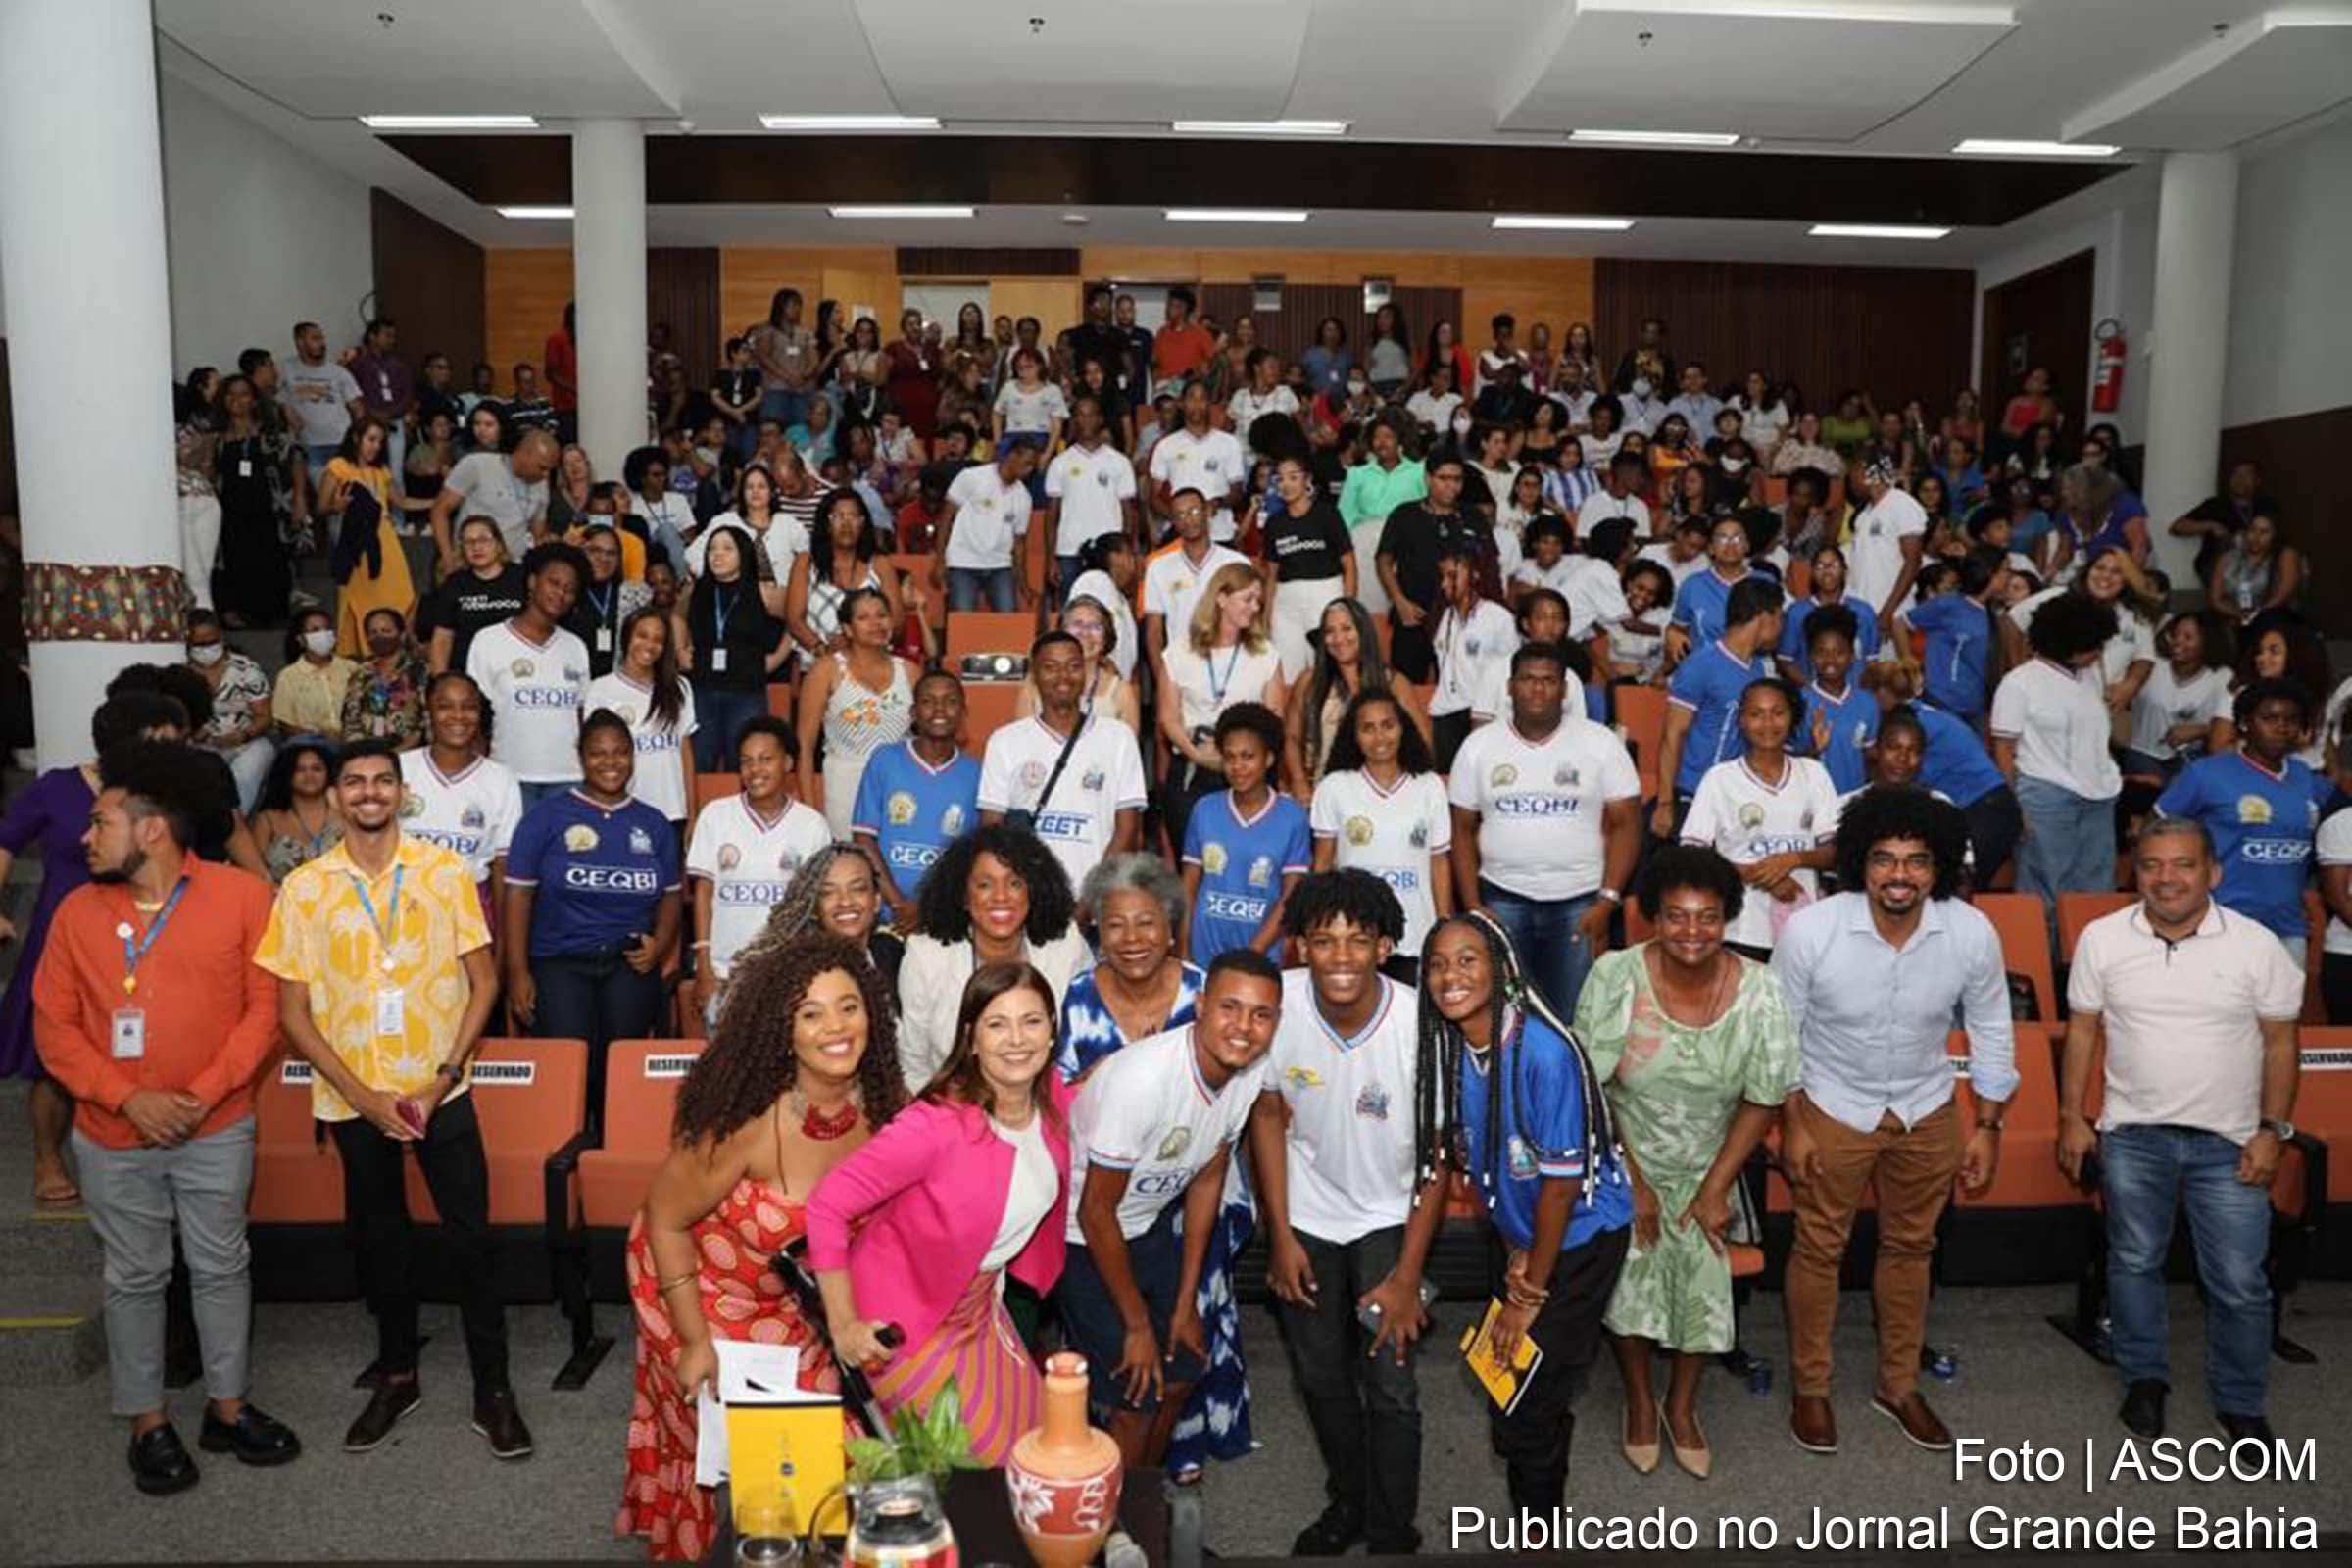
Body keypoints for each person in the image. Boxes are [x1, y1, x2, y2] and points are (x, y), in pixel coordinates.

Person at [31, 740, 297, 1494]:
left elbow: (264, 1014)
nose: (85, 838)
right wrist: (128, 1099)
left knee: (221, 1266)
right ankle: (147, 1420)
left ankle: (228, 1405)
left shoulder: (245, 898)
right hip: (112, 1135)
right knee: (136, 1274)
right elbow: (54, 1027)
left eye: (99, 823)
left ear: (151, 830)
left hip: (215, 1126)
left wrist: (201, 1095)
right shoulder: (75, 911)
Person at [255, 740, 527, 1458]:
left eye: (382, 781)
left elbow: (487, 981)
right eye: (355, 782)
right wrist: (360, 1094)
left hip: (441, 1090)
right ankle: (398, 1375)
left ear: (401, 794)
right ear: (338, 797)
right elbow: (292, 1014)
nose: (369, 793)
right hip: (354, 1101)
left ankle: (493, 1388)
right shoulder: (304, 888)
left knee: (472, 1241)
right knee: (382, 1243)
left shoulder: (444, 872)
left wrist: (440, 1078)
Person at [620, 933, 905, 1562]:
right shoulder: (745, 1124)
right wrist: (694, 1340)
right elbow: (665, 1221)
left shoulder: (882, 1109)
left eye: (849, 1006)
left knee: (822, 1450)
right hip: (694, 1285)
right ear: (783, 1030)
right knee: (734, 1455)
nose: (837, 1027)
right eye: (811, 1013)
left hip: (794, 1299)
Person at [1770, 787, 2014, 1456]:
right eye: (1883, 859)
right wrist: (1790, 1122)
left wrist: (1988, 1125)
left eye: (1916, 861)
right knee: (1819, 1249)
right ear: (1859, 863)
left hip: (1927, 1108)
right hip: (1830, 1104)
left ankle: (1898, 1385)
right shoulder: (1813, 930)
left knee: (1912, 1250)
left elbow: (1992, 1026)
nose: (1899, 875)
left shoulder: (1971, 932)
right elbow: (1779, 1033)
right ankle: (1811, 1389)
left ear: (1938, 869)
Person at [2058, 818, 2302, 1444]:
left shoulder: (2256, 945)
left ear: (2213, 873)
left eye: (2183, 864)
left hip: (2230, 1143)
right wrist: (2072, 1118)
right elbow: (2082, 1030)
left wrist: (2273, 1130)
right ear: (2133, 872)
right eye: (2151, 865)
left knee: (2241, 1284)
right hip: (2132, 1136)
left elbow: (2281, 1044)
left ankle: (2241, 1405)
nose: (2167, 878)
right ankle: (2145, 1382)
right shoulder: (2102, 939)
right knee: (2133, 1262)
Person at [1575, 846, 1797, 1480]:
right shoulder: (1615, 976)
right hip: (1626, 1151)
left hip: (1714, 1158)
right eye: (1676, 916)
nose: (1691, 932)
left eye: (1706, 917)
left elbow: (1763, 1097)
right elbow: (1592, 1090)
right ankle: (1641, 1402)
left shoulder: (1761, 989)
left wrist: (1715, 1187)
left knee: (1702, 1277)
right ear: (1652, 917)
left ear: (1727, 918)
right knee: (1632, 1278)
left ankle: (1683, 1403)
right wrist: (1634, 1184)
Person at [1406, 912, 1629, 1512]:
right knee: (1514, 1381)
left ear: (1501, 971)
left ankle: (1539, 1532)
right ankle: (1540, 1468)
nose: (1449, 975)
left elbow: (1559, 1188)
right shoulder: (1457, 1048)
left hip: (1581, 1235)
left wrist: (1528, 1293)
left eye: (1467, 960)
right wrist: (1515, 1252)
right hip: (1527, 1233)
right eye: (1437, 963)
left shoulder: (1543, 1053)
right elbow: (1489, 1170)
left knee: (1525, 1397)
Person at [811, 962, 1071, 1464]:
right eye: (997, 1024)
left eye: (1032, 1021)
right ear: (971, 1039)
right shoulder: (932, 1127)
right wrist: (844, 1326)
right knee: (979, 1471)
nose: (1017, 1039)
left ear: (1052, 1032)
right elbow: (826, 1205)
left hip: (978, 1310)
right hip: (905, 1326)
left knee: (1037, 1446)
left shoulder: (1052, 1100)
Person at [1250, 871, 1439, 1555]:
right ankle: (1350, 1499)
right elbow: (1268, 1113)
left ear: (1386, 946)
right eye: (1323, 941)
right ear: (1299, 946)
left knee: (1390, 1381)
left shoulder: (1421, 1020)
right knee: (1322, 1373)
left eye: (1358, 941)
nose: (1340, 957)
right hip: (1308, 1212)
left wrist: (1408, 1272)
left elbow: (1439, 1160)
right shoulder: (1280, 1003)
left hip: (1393, 1217)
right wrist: (1279, 1233)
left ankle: (1392, 1530)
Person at [1064, 951, 1281, 1469]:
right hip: (1079, 1235)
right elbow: (1096, 1212)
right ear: (1201, 1006)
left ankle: (1144, 1504)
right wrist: (1138, 1325)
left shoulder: (1250, 1070)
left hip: (1150, 1223)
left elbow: (1208, 1175)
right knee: (1135, 1399)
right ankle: (1110, 1534)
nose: (1243, 1028)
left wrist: (1185, 1304)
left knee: (1182, 1373)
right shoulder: (1141, 1081)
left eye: (1261, 1014)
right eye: (1230, 1008)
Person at [2, 695, 187, 1206]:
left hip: (138, 933)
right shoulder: (57, 786)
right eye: (156, 740)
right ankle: (47, 1157)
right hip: (61, 932)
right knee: (50, 1057)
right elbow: (5, 840)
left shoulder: (154, 795)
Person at [1448, 643, 1640, 1019]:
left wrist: (1608, 901)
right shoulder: (1478, 747)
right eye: (1528, 680)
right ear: (1510, 687)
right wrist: (1472, 905)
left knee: (1572, 1018)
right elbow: (1462, 830)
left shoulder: (1599, 743)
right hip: (1501, 900)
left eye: (1549, 681)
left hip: (1580, 903)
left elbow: (1627, 824)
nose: (1537, 690)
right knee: (1504, 1017)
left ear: (1565, 689)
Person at [897, 823, 1090, 1088]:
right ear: (963, 896)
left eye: (1014, 883)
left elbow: (1085, 1043)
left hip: (1048, 1104)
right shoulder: (926, 957)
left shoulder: (1066, 945)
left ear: (1032, 891)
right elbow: (912, 1066)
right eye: (984, 885)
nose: (1000, 897)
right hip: (954, 1109)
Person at [2152, 679, 2320, 957]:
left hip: (2288, 929)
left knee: (2286, 1002)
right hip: (2222, 925)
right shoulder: (2206, 774)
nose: (2281, 728)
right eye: (2270, 718)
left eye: (2291, 720)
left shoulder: (2305, 777)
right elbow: (2154, 834)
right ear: (2244, 723)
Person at [685, 716, 832, 1022]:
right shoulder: (716, 815)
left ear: (788, 763)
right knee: (727, 1066)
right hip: (726, 973)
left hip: (788, 974)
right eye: (746, 761)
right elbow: (703, 893)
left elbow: (816, 907)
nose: (755, 770)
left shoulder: (812, 825)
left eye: (765, 759)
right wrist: (704, 966)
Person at [1680, 680, 1840, 958]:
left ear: (1792, 717)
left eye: (1777, 713)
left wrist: (1792, 860)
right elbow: (1693, 856)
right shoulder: (1719, 779)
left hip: (1802, 926)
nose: (1767, 723)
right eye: (1756, 714)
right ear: (1742, 720)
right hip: (1739, 928)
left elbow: (1836, 851)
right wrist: (1763, 877)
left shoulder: (1813, 773)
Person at [1990, 592, 2123, 921]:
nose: (2100, 652)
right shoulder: (2018, 683)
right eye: (2095, 645)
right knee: (2044, 894)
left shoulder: (2090, 677)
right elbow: (2003, 750)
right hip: (2045, 799)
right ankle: (2044, 971)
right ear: (2071, 644)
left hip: (2100, 797)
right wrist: (2014, 808)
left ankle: (2085, 969)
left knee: (2096, 894)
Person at [982, 631, 1148, 895]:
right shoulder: (1005, 741)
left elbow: (1127, 830)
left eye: (1073, 666)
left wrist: (1088, 902)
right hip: (1028, 901)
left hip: (1094, 901)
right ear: (1034, 675)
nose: (1063, 677)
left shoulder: (1118, 737)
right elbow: (992, 829)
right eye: (1051, 668)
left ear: (1085, 672)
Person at [1312, 689, 1453, 981]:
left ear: (1403, 728)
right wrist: (1318, 923)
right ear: (1354, 735)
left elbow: (1439, 861)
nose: (1380, 737)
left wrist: (1443, 923)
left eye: (1387, 726)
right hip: (1353, 933)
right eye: (1368, 729)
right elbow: (1322, 863)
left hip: (1415, 932)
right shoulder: (1335, 787)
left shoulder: (1429, 786)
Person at [1160, 566, 1289, 856]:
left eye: (1259, 601)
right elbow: (1168, 717)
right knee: (1194, 862)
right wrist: (1196, 754)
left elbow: (1275, 717)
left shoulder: (1266, 654)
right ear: (1221, 598)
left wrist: (1241, 758)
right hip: (1193, 768)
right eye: (1248, 598)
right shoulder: (1179, 653)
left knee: (1249, 859)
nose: (1255, 607)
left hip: (1251, 772)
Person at [1651, 579, 1785, 837]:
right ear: (1764, 616)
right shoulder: (1700, 665)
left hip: (1734, 796)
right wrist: (1665, 803)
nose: (1780, 629)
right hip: (1694, 794)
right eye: (1779, 618)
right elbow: (1672, 735)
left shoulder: (1757, 669)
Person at [852, 669, 982, 931]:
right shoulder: (885, 760)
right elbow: (864, 838)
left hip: (945, 917)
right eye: (928, 701)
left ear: (964, 712)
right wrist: (899, 904)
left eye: (950, 701)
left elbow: (974, 858)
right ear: (913, 712)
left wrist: (928, 908)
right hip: (889, 919)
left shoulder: (977, 774)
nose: (939, 709)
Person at [1181, 704, 1310, 965]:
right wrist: (1183, 949)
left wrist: (1254, 953)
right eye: (1229, 757)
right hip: (1203, 954)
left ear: (1269, 759)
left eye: (1247, 756)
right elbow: (1188, 888)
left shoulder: (1292, 816)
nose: (1237, 766)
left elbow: (1290, 896)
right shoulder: (1205, 809)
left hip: (1260, 958)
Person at [466, 541, 589, 806]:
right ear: (533, 582)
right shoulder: (488, 641)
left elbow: (580, 716)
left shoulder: (575, 647)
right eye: (554, 583)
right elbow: (473, 717)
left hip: (569, 779)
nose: (561, 594)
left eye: (569, 589)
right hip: (509, 777)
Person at [398, 672, 523, 931]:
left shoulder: (502, 780)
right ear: (428, 711)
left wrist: (500, 948)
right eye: (445, 706)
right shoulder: (399, 768)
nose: (458, 716)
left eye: (468, 707)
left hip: (470, 913)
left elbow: (502, 869)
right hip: (399, 907)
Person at [796, 588, 915, 843]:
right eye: (864, 618)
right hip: (845, 786)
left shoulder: (910, 672)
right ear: (847, 629)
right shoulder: (827, 670)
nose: (876, 623)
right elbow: (804, 747)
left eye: (882, 615)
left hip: (901, 788)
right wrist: (808, 812)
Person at [1283, 597, 1428, 796]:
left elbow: (1423, 742)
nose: (1338, 638)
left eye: (1346, 628)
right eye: (1330, 632)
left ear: (1363, 631)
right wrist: (1299, 781)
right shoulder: (1309, 682)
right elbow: (1291, 737)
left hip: (1383, 791)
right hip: (1323, 790)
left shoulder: (1394, 684)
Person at [585, 608, 698, 837]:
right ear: (627, 637)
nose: (649, 645)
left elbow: (685, 753)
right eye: (642, 635)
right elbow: (592, 756)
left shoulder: (680, 687)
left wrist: (693, 815)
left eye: (658, 640)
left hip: (672, 811)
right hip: (624, 809)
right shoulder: (601, 689)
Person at [1378, 455, 1489, 685]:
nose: (1452, 486)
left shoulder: (1473, 516)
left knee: (1457, 688)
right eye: (1444, 478)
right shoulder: (1404, 514)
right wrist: (1400, 602)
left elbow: (1488, 565)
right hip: (1413, 616)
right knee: (1405, 688)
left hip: (1460, 620)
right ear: (1428, 479)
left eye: (1457, 479)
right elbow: (1383, 561)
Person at [1262, 455, 1358, 680]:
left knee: (1328, 667)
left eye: (1293, 477)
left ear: (1307, 480)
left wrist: (1349, 606)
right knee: (1287, 671)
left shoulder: (1327, 514)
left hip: (1325, 594)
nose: (1286, 484)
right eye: (1280, 479)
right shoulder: (1274, 523)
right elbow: (1271, 574)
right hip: (1286, 603)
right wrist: (1266, 616)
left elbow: (1349, 564)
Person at [1425, 543, 1519, 772]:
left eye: (1452, 576)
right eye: (1442, 577)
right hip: (1445, 714)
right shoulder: (1443, 616)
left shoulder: (1499, 618)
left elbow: (1512, 673)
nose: (1444, 584)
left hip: (1483, 714)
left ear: (1475, 574)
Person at [1140, 488, 1250, 678]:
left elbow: (1251, 621)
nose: (1188, 520)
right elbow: (1154, 633)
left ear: (1208, 511)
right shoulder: (1158, 567)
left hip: (1231, 665)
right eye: (1180, 515)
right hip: (1181, 666)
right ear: (1173, 522)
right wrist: (1162, 677)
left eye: (1193, 511)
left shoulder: (1237, 562)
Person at [1045, 395, 1139, 594]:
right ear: (1074, 420)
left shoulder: (1119, 462)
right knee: (1071, 612)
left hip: (1109, 552)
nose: (1086, 420)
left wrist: (1129, 550)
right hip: (1070, 550)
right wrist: (1051, 557)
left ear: (1100, 419)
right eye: (1081, 415)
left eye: (1091, 415)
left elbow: (1129, 512)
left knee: (1110, 610)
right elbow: (1052, 516)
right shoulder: (1060, 463)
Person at [2122, 612, 2232, 782]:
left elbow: (2231, 726)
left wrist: (2202, 730)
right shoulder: (2152, 666)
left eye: (2188, 637)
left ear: (2206, 642)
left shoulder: (2221, 676)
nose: (2178, 641)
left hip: (2191, 757)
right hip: (2143, 752)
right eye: (2175, 635)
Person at [184, 609, 275, 813]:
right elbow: (175, 716)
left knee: (245, 774)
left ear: (222, 637)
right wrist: (192, 732)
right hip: (201, 745)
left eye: (211, 642)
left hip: (247, 743)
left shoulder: (246, 669)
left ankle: (234, 823)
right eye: (199, 644)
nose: (206, 648)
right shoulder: (183, 673)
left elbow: (264, 717)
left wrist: (243, 735)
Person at [432, 426, 556, 570]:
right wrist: (447, 555)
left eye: (549, 470)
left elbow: (538, 534)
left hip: (512, 569)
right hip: (469, 565)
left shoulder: (541, 486)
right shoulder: (477, 465)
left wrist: (551, 541)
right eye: (542, 467)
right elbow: (440, 509)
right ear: (524, 454)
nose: (546, 474)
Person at [939, 441, 1039, 613]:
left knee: (1009, 619)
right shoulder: (972, 477)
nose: (1030, 469)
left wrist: (1023, 583)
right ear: (1013, 456)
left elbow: (1019, 542)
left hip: (1000, 565)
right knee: (963, 622)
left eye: (1033, 466)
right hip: (964, 561)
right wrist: (940, 559)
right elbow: (946, 518)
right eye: (1027, 463)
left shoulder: (1024, 497)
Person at [1790, 605, 1878, 796]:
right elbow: (1788, 762)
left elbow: (1870, 758)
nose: (1830, 660)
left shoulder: (1868, 702)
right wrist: (1814, 749)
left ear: (1852, 657)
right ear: (1811, 656)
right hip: (1813, 801)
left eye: (1839, 652)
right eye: (1821, 652)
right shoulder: (1798, 702)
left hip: (1855, 802)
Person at [425, 517, 527, 675]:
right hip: (467, 673)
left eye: (483, 539)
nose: (476, 547)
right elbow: (442, 639)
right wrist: (441, 681)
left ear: (499, 544)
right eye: (468, 541)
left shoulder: (522, 578)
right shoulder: (455, 584)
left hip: (517, 670)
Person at [1151, 380, 1248, 545]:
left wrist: (1217, 503)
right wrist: (1179, 517)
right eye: (1191, 398)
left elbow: (1237, 492)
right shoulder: (1166, 445)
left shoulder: (1229, 443)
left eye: (1202, 399)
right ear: (1181, 403)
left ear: (1209, 404)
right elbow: (1154, 497)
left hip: (1220, 533)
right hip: (1180, 535)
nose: (1197, 404)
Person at [1847, 458, 1927, 642]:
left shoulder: (1902, 504)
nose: (1850, 480)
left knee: (1891, 670)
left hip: (1891, 614)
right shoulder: (1865, 513)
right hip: (1864, 613)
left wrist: (1888, 611)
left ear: (1871, 475)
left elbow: (1913, 561)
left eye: (1854, 473)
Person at [251, 739, 345, 884]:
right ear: (286, 774)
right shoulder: (267, 819)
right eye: (300, 770)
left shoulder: (346, 812)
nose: (309, 775)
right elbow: (255, 873)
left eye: (317, 769)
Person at [272, 607, 359, 741]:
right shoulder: (288, 676)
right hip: (312, 743)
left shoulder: (351, 668)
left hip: (352, 741)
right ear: (301, 639)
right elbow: (285, 725)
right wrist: (320, 736)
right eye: (315, 630)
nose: (323, 635)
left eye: (327, 629)